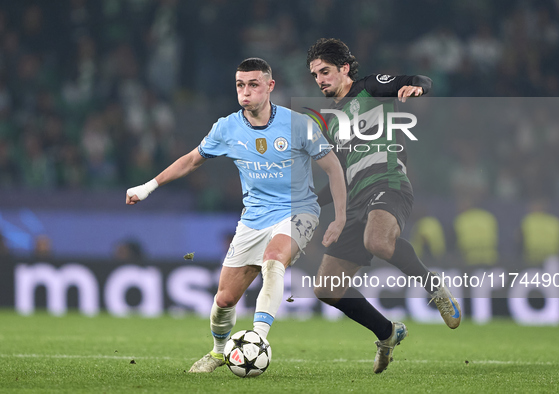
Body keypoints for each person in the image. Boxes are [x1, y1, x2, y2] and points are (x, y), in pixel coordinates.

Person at [126, 58, 347, 373]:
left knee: (273, 259)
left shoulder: (299, 125)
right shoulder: (227, 127)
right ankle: (218, 353)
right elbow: (191, 160)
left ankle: (257, 340)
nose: (245, 92)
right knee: (225, 300)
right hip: (254, 217)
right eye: (240, 85)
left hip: (298, 210)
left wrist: (339, 217)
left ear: (270, 87)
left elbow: (333, 168)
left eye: (253, 85)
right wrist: (148, 186)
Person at [306, 38, 461, 374]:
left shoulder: (370, 88)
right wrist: (310, 201)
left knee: (377, 241)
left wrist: (415, 90)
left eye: (325, 71)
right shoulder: (332, 122)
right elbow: (340, 177)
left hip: (388, 183)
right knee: (327, 289)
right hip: (356, 199)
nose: (319, 79)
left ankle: (434, 288)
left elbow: (421, 80)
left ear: (345, 68)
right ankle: (387, 333)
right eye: (315, 74)